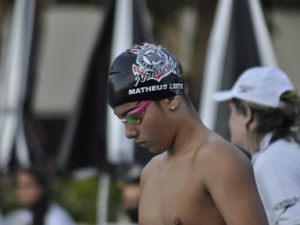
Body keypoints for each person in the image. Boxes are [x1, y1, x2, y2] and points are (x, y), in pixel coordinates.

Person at [107, 42, 268, 225]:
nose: (129, 133)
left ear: (170, 98)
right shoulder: (150, 173)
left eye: (134, 116)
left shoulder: (218, 159)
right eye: (123, 120)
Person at [213, 66, 300, 225]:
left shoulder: (269, 162)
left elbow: (293, 220)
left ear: (247, 113)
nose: (229, 120)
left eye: (231, 111)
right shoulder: (288, 148)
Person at [4, 166, 76, 225]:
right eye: (19, 186)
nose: (22, 192)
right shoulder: (21, 216)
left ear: (42, 188)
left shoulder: (55, 217)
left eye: (27, 186)